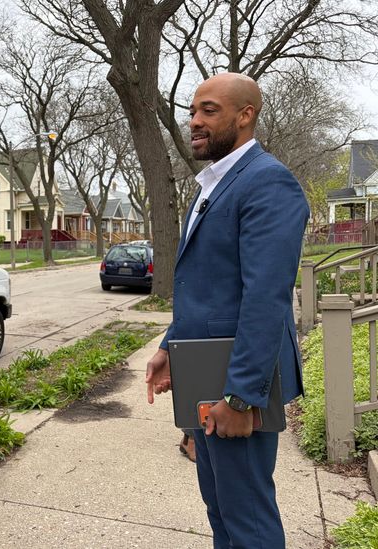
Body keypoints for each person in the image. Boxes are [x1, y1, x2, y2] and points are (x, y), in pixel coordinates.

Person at [145, 72, 309, 548]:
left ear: (245, 115)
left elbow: (265, 298)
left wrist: (241, 398)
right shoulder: (210, 185)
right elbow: (206, 285)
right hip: (201, 370)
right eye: (193, 111)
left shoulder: (268, 183)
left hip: (238, 378)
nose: (194, 121)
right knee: (220, 508)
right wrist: (169, 348)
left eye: (209, 110)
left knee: (247, 517)